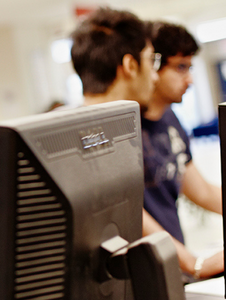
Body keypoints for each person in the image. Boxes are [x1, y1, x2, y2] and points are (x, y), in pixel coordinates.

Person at [71, 8, 224, 279]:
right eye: (150, 62)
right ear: (131, 65)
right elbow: (124, 211)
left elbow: (200, 190)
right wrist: (193, 264)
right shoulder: (86, 138)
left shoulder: (162, 121)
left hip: (167, 274)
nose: (153, 76)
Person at [141, 21, 224, 280]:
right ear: (152, 66)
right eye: (180, 67)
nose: (189, 79)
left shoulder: (171, 119)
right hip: (144, 272)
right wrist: (193, 263)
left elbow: (201, 191)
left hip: (174, 268)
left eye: (189, 67)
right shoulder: (126, 127)